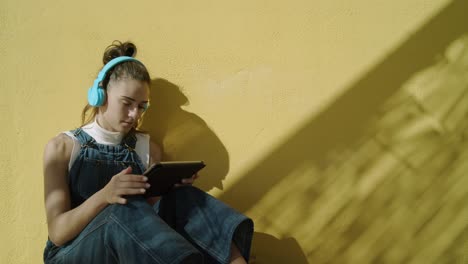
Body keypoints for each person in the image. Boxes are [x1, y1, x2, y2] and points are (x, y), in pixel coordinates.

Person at [42, 41, 254, 264]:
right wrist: (105, 195)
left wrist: (168, 190)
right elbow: (58, 233)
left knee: (182, 197)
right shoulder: (63, 147)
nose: (135, 114)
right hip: (71, 254)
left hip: (131, 248)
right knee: (121, 208)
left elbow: (150, 219)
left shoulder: (147, 147)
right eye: (127, 103)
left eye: (142, 106)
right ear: (100, 95)